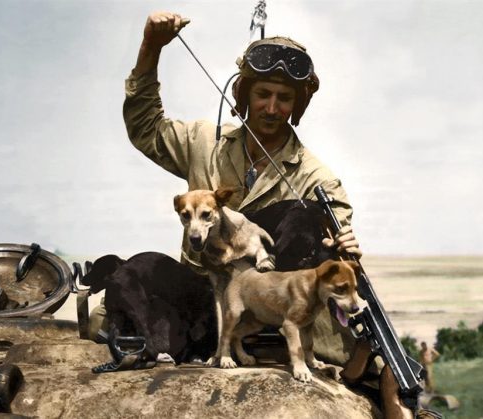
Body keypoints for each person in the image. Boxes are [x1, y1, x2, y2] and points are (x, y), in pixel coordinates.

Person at [91, 11, 364, 366]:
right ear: (243, 94)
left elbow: (337, 262)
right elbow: (146, 128)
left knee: (304, 216)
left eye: (284, 98)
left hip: (267, 305)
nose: (271, 107)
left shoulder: (317, 179)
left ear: (297, 105)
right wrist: (151, 48)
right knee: (139, 269)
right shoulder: (203, 142)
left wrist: (346, 250)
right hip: (204, 298)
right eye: (263, 94)